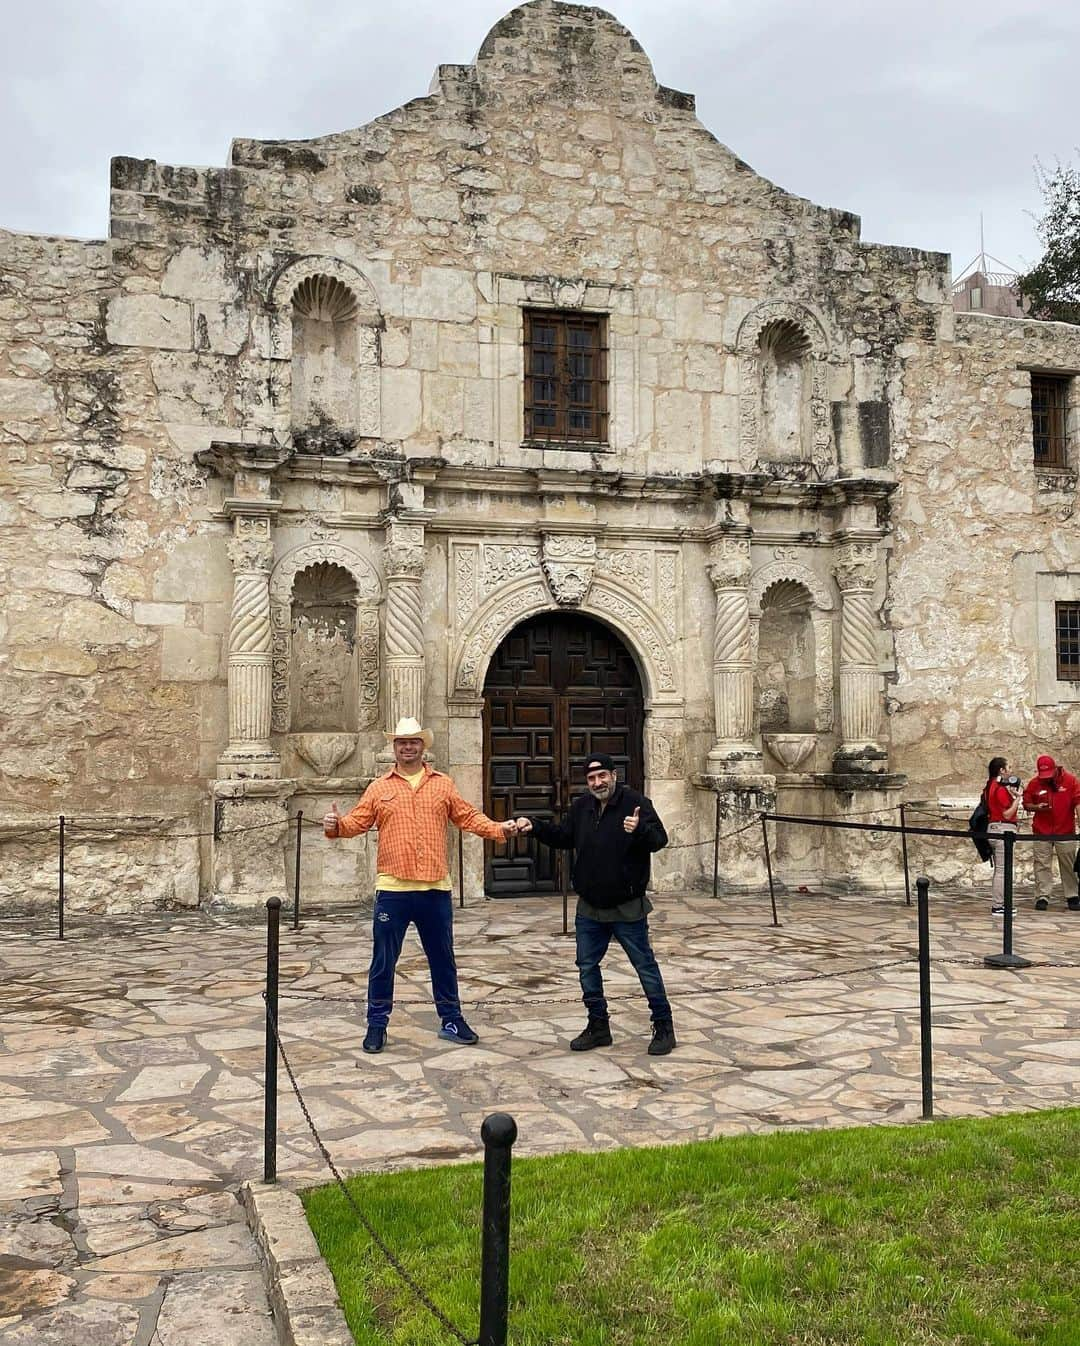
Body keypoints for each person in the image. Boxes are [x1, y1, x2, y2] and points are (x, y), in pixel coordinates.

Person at [323, 717, 518, 1054]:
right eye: (402, 742)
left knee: (442, 959)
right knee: (383, 960)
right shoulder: (379, 788)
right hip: (393, 890)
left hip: (434, 889)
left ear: (422, 746)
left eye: (413, 742)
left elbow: (468, 817)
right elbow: (357, 822)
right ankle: (377, 1024)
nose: (408, 747)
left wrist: (500, 829)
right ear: (394, 747)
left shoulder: (443, 785)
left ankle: (452, 1019)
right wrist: (335, 825)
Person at [514, 753, 676, 1056]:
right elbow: (564, 837)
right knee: (587, 967)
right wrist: (533, 825)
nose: (597, 782)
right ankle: (598, 1025)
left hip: (627, 905)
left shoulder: (635, 803)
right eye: (591, 778)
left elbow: (659, 840)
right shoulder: (582, 807)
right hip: (590, 906)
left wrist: (639, 829)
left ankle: (664, 1026)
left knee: (645, 968)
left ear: (614, 775)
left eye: (602, 776)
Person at [1022, 754, 1080, 912]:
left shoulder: (1070, 781)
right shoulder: (1034, 783)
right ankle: (1042, 896)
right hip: (1042, 830)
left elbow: (1078, 802)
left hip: (1065, 830)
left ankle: (1072, 895)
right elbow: (1026, 803)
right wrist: (1036, 807)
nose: (1046, 778)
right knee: (1041, 864)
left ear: (1055, 769)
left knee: (1069, 863)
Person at [982, 757, 1022, 916]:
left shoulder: (990, 786)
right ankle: (998, 905)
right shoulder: (998, 788)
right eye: (1009, 767)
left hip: (994, 828)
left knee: (1001, 869)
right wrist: (1018, 798)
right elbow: (1006, 813)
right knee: (1002, 870)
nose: (1011, 770)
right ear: (1001, 770)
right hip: (1002, 829)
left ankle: (1001, 903)